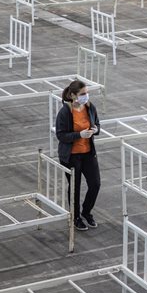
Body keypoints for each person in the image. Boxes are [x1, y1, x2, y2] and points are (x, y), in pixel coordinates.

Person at [55, 80, 101, 231]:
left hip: (88, 153)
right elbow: (61, 135)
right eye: (82, 94)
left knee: (95, 184)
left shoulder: (89, 107)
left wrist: (94, 130)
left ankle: (86, 212)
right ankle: (75, 217)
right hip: (72, 156)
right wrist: (78, 135)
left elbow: (98, 124)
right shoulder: (65, 112)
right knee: (75, 187)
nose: (86, 96)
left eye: (87, 93)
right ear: (73, 95)